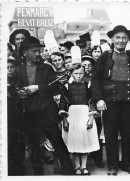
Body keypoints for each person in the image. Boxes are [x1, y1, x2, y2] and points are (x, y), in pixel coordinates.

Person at [91, 25, 130, 175]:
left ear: (128, 40)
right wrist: (98, 100)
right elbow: (95, 79)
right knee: (110, 135)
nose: (121, 41)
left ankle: (128, 163)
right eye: (118, 37)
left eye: (124, 38)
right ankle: (113, 165)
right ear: (112, 39)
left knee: (129, 134)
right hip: (110, 102)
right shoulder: (105, 56)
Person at [15, 36, 74, 175]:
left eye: (39, 51)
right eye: (34, 51)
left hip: (47, 112)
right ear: (24, 53)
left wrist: (38, 88)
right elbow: (14, 89)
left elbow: (56, 88)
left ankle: (70, 173)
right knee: (33, 148)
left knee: (58, 144)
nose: (38, 54)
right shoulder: (18, 70)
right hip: (29, 114)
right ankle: (38, 176)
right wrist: (20, 93)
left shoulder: (47, 68)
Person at [59, 64, 100, 175]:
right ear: (71, 73)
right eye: (76, 73)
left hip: (85, 114)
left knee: (84, 140)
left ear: (84, 73)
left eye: (81, 73)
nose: (78, 76)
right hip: (72, 114)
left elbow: (92, 101)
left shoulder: (88, 85)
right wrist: (64, 119)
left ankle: (84, 166)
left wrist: (91, 118)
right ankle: (77, 166)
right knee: (75, 141)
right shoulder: (67, 86)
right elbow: (63, 102)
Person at [7, 59, 25, 175]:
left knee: (19, 141)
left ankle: (20, 166)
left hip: (19, 116)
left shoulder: (20, 81)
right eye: (7, 67)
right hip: (8, 117)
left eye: (12, 67)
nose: (9, 69)